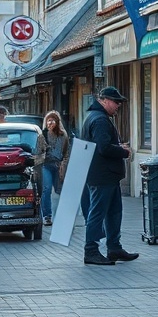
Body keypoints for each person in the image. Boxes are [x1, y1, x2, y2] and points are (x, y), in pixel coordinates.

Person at [81, 86, 137, 265]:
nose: (118, 105)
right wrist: (124, 151)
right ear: (103, 100)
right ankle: (91, 251)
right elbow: (103, 147)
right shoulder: (100, 120)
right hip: (102, 176)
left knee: (114, 212)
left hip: (106, 176)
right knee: (97, 213)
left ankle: (114, 247)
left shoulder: (96, 117)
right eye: (115, 102)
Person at [35, 110, 71, 226]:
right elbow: (37, 153)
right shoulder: (42, 136)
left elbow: (66, 153)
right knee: (46, 189)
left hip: (59, 165)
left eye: (53, 120)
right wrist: (44, 152)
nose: (51, 122)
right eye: (49, 120)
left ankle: (64, 215)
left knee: (61, 190)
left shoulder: (63, 135)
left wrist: (63, 166)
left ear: (57, 121)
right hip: (46, 165)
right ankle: (47, 216)